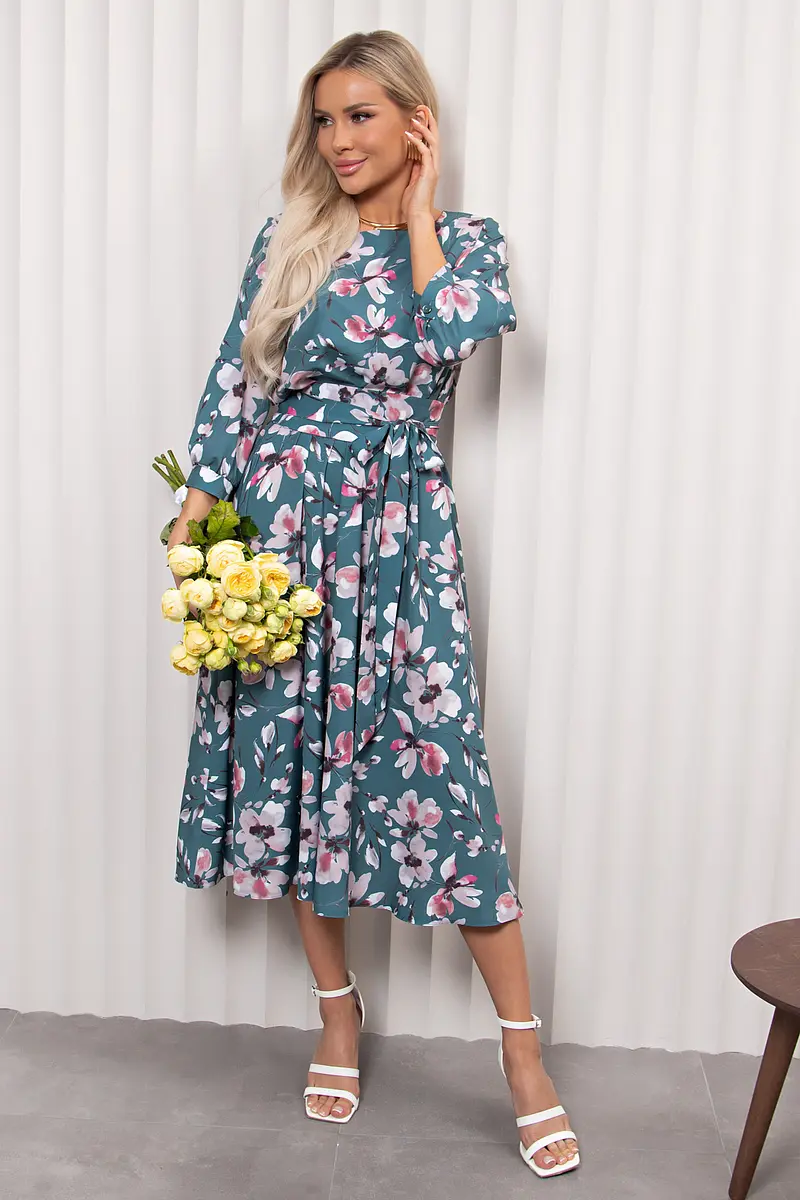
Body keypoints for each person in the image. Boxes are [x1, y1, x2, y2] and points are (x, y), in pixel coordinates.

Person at [167, 28, 580, 1179]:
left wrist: (423, 211)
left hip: (397, 538)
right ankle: (336, 1016)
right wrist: (198, 519)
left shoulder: (466, 245)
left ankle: (521, 1056)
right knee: (299, 774)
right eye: (324, 119)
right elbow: (234, 385)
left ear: (413, 121)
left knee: (440, 777)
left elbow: (456, 340)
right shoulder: (288, 240)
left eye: (361, 115)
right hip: (280, 536)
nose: (337, 140)